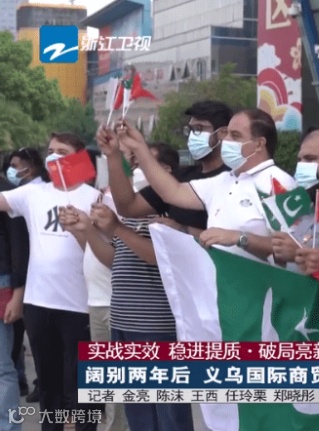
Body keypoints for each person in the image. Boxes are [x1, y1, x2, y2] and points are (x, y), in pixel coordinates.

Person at [61, 142, 194, 431]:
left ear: (164, 170)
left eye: (140, 163)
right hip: (123, 320)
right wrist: (86, 229)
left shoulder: (174, 211)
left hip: (156, 324)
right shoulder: (130, 212)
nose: (134, 169)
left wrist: (117, 228)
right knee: (138, 410)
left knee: (168, 411)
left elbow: (158, 257)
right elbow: (114, 259)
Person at [0, 133, 101, 431]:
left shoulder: (94, 197)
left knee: (80, 384)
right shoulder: (33, 193)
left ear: (78, 157)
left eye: (62, 151)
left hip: (80, 305)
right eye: (51, 150)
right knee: (49, 384)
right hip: (38, 303)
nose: (54, 156)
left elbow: (104, 251)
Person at [102, 109, 295, 262]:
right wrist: (138, 147)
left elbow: (295, 249)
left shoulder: (281, 184)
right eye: (227, 134)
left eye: (235, 136)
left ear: (259, 144)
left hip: (265, 293)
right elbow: (173, 192)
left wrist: (240, 238)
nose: (226, 141)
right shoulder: (224, 180)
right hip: (225, 292)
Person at [107, 100, 232, 238]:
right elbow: (128, 207)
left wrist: (182, 229)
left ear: (223, 133)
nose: (192, 136)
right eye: (190, 130)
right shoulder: (180, 178)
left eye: (199, 129)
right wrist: (113, 156)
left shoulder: (234, 179)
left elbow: (232, 239)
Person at [271, 126, 319, 273]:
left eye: (310, 159)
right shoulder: (306, 204)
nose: (301, 167)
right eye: (299, 160)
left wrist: (298, 252)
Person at [6, 147, 45, 401]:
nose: (12, 170)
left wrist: (17, 290)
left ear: (30, 166)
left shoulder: (27, 195)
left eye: (16, 165)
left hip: (31, 278)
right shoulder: (19, 193)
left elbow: (18, 244)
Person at [0, 172, 26, 431]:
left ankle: (8, 426)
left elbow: (19, 247)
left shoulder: (9, 195)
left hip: (2, 283)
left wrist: (17, 294)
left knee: (2, 367)